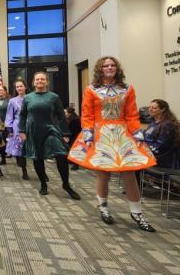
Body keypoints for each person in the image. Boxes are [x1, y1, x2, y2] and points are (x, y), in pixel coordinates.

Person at [68, 57, 156, 230]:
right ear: (100, 69)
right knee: (103, 173)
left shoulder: (127, 89)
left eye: (112, 65)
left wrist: (137, 133)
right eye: (106, 65)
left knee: (130, 173)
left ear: (117, 68)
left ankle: (137, 212)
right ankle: (104, 207)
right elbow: (87, 115)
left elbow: (131, 114)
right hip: (101, 134)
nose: (109, 67)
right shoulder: (91, 89)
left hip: (122, 134)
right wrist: (88, 134)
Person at [19, 71, 80, 200]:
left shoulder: (54, 97)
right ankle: (43, 183)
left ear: (47, 82)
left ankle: (66, 184)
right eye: (37, 79)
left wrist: (65, 133)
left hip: (51, 130)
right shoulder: (28, 98)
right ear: (33, 82)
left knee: (61, 155)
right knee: (37, 157)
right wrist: (22, 131)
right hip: (34, 131)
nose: (40, 81)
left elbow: (61, 116)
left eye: (42, 79)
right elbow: (23, 115)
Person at [144, 99, 180, 169]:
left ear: (162, 109)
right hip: (150, 156)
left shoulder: (167, 125)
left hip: (162, 162)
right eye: (149, 107)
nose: (150, 110)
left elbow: (159, 148)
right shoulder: (153, 123)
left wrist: (143, 149)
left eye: (154, 108)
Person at [5, 79, 30, 180]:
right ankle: (24, 171)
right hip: (18, 128)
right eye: (17, 87)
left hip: (32, 127)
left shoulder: (31, 98)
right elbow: (9, 116)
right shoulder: (12, 101)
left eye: (21, 86)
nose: (19, 88)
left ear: (25, 87)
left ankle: (42, 172)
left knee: (35, 149)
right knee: (21, 150)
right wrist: (10, 130)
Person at [0, 85, 10, 165]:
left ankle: (18, 159)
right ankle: (3, 158)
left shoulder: (9, 101)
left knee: (10, 140)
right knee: (1, 140)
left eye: (1, 90)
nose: (0, 91)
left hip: (7, 123)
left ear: (5, 91)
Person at [64, 106, 81, 170]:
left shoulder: (74, 119)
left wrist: (67, 136)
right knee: (71, 149)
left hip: (76, 136)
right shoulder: (71, 118)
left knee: (74, 150)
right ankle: (71, 160)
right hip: (74, 136)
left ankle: (75, 164)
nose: (64, 114)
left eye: (65, 112)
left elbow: (74, 131)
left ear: (69, 113)